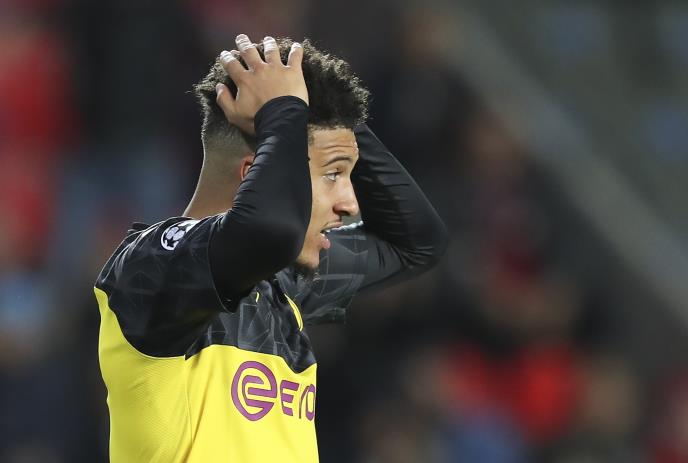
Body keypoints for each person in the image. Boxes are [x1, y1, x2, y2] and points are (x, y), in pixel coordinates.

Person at [94, 34, 448, 462]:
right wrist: (284, 111)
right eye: (333, 174)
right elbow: (267, 231)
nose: (350, 204)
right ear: (254, 175)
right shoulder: (151, 270)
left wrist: (311, 103)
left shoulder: (284, 285)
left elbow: (415, 242)